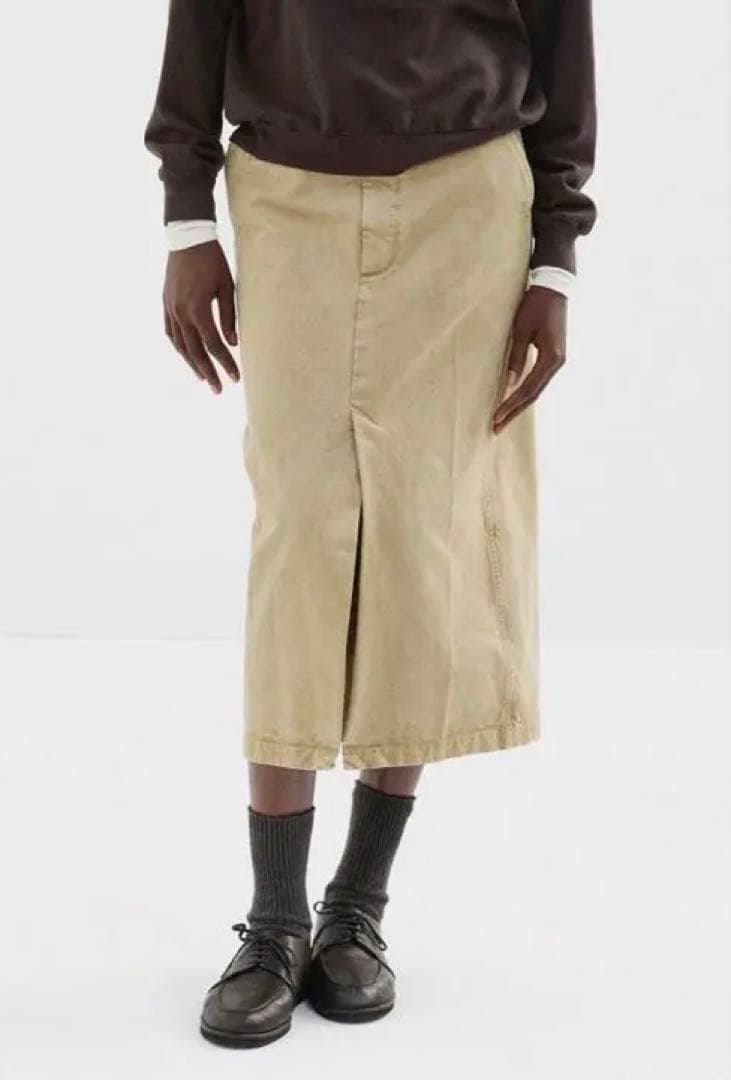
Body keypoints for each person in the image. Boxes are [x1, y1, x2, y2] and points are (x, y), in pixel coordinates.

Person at [144, 0, 596, 1049]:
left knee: (421, 534)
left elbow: (561, 44)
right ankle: (273, 920)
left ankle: (355, 905)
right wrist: (186, 221)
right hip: (286, 194)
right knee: (300, 537)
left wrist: (553, 259)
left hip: (468, 202)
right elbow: (199, 23)